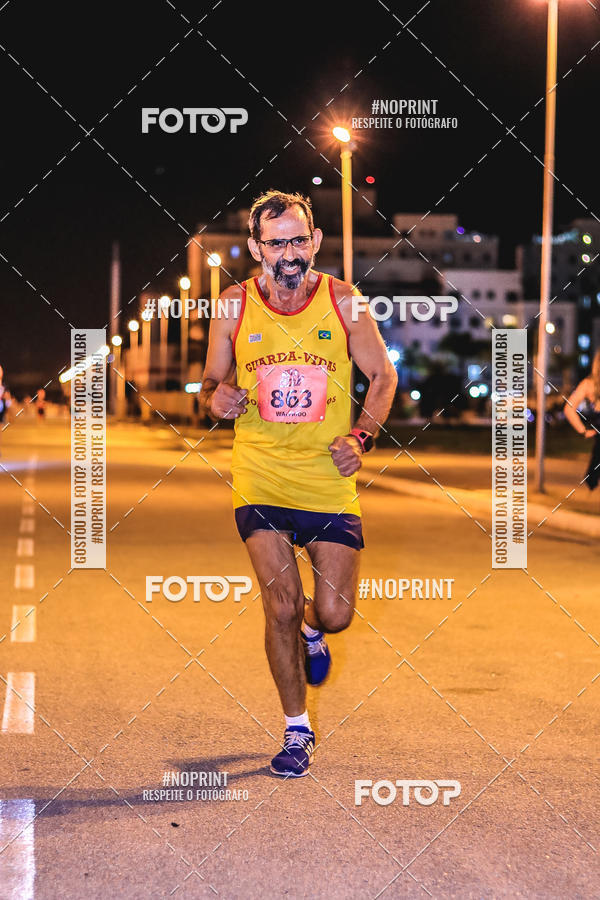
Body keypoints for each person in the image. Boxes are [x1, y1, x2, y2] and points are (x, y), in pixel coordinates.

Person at [199, 190, 397, 776]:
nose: (288, 253)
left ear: (314, 241)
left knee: (333, 613)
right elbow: (210, 383)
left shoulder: (344, 302)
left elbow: (383, 376)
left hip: (326, 479)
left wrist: (361, 437)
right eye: (275, 242)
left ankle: (316, 632)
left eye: (298, 240)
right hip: (258, 474)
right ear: (256, 247)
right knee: (280, 604)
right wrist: (218, 398)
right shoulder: (233, 306)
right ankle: (296, 729)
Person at [564, 348, 600, 489]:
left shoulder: (588, 384)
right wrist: (583, 430)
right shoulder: (589, 384)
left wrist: (583, 431)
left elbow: (568, 408)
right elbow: (568, 409)